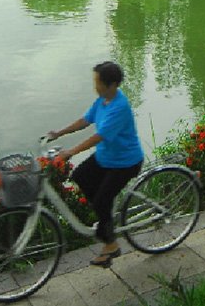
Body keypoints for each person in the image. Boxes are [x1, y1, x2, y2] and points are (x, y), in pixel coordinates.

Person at [48, 61, 145, 268]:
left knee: (101, 200)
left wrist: (71, 152)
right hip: (105, 158)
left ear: (111, 85)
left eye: (98, 83)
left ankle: (111, 244)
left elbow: (98, 136)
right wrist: (59, 133)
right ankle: (106, 219)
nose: (95, 86)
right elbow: (85, 120)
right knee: (80, 176)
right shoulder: (102, 101)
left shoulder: (119, 108)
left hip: (125, 162)